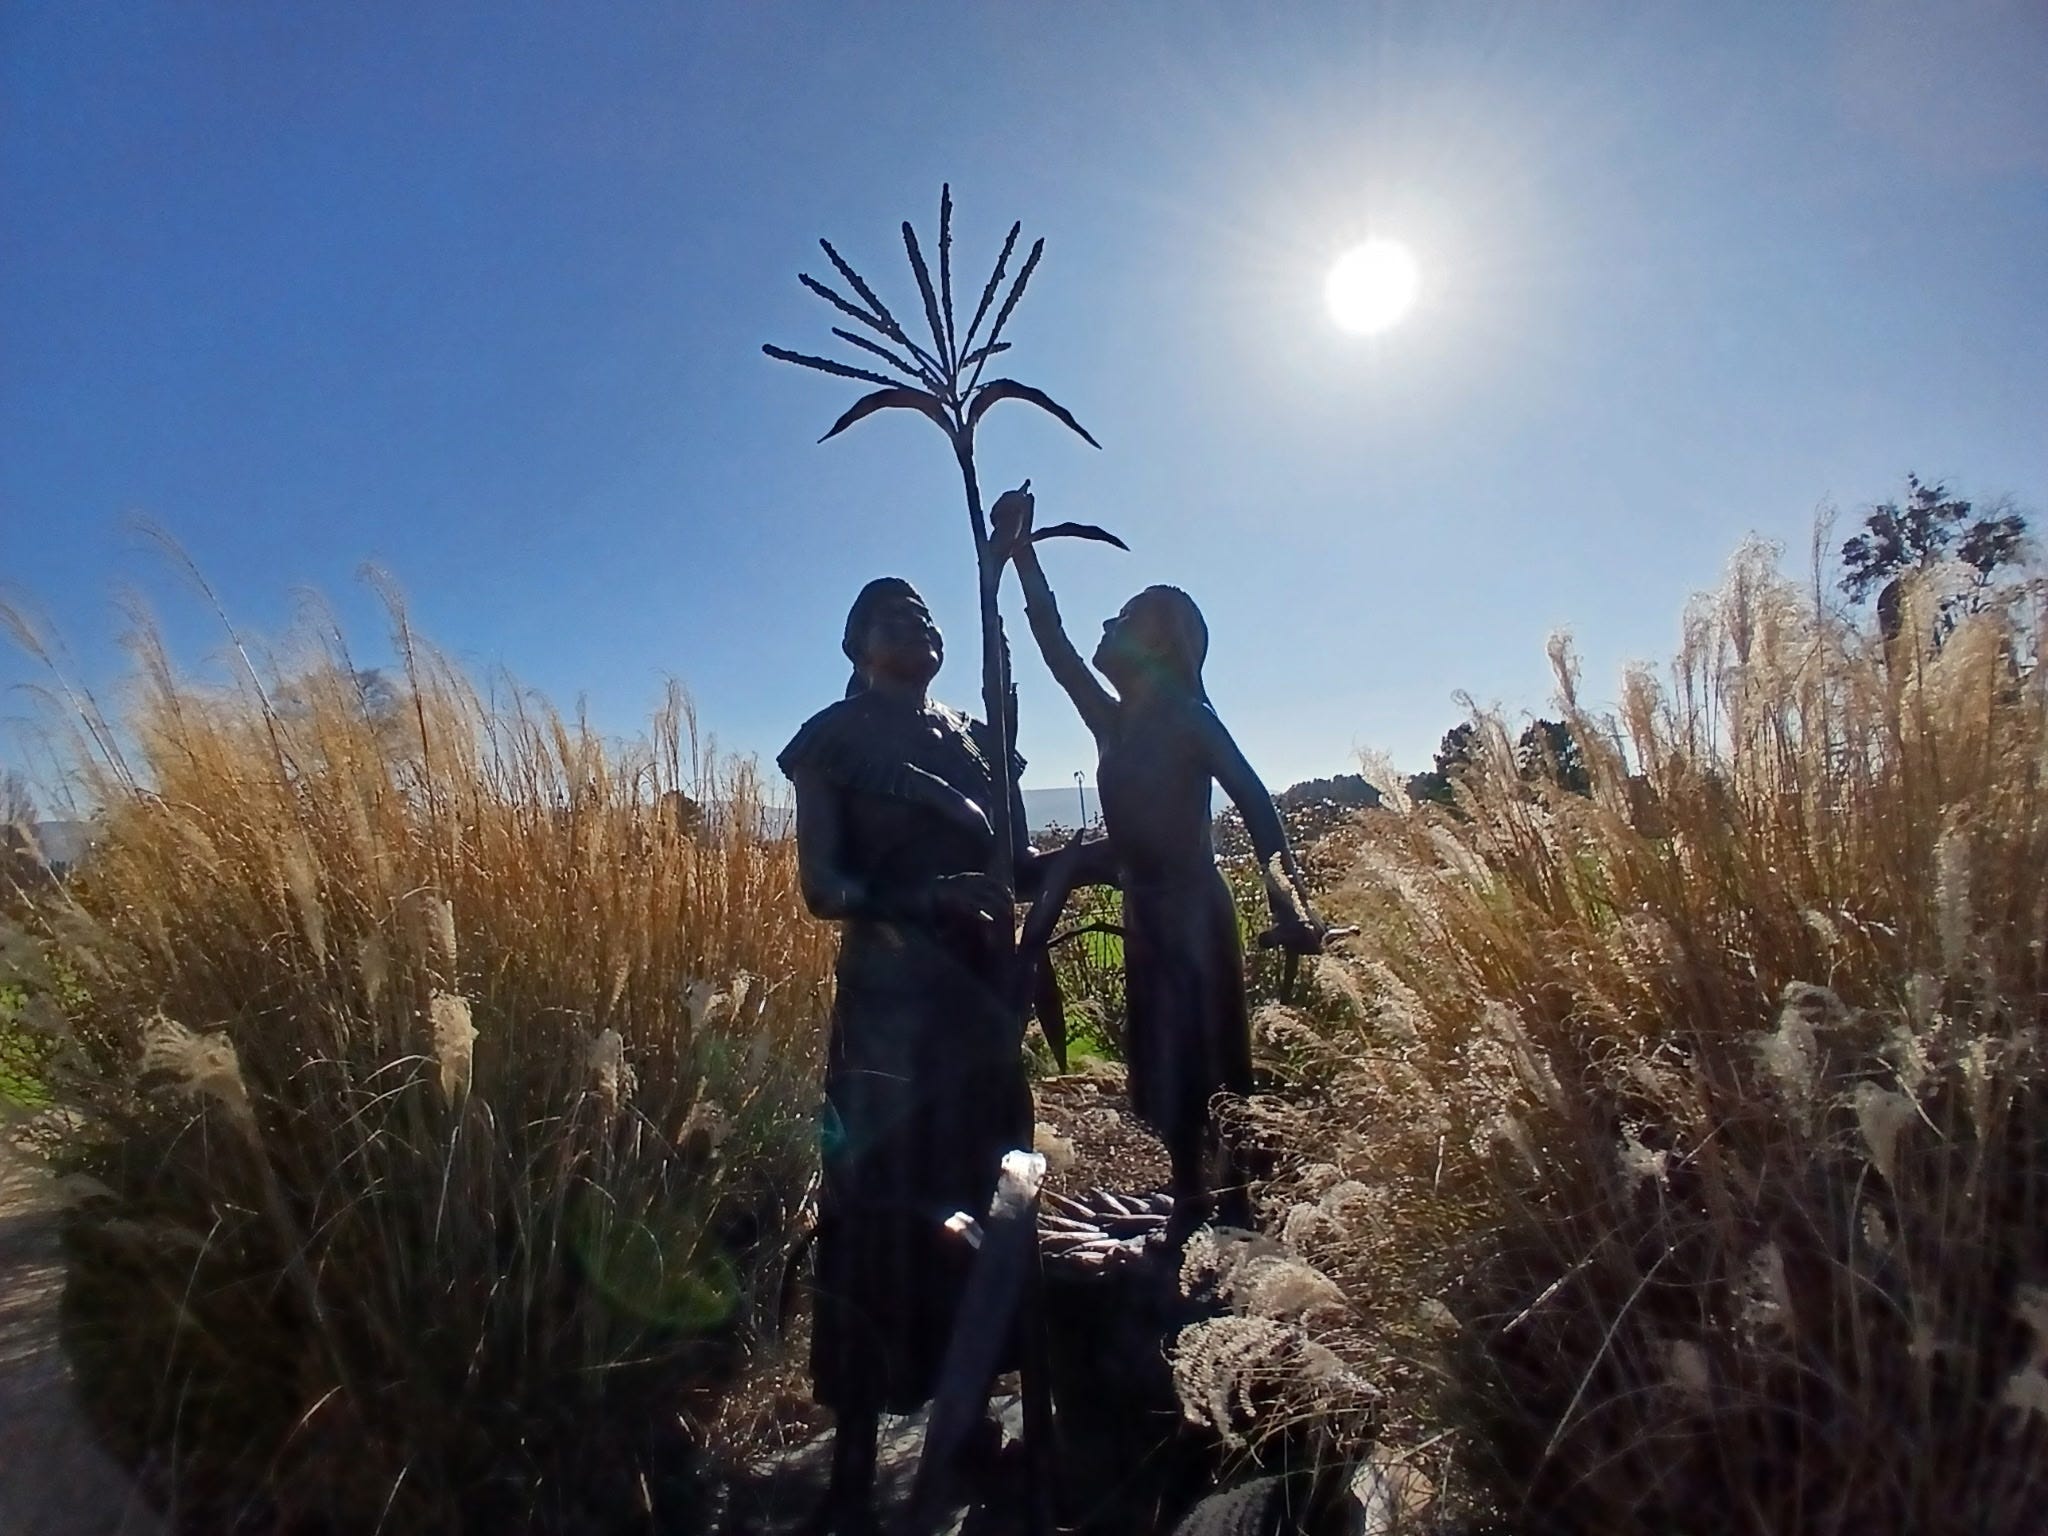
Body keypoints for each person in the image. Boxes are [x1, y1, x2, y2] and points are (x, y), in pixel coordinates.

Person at [995, 487, 1326, 1230]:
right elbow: (1055, 647)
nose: (1107, 625)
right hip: (1144, 915)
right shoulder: (1113, 723)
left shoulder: (1188, 719)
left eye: (1125, 618)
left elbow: (1256, 804)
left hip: (1192, 917)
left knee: (1209, 1066)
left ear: (1164, 645)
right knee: (1167, 1071)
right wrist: (1021, 557)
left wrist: (1289, 899)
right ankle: (1186, 1205)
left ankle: (1233, 1213)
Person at [778, 577, 1035, 1533]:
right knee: (876, 1213)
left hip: (977, 1008)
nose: (916, 627)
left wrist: (1113, 860)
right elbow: (823, 886)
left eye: (926, 616)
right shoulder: (831, 741)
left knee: (984, 1192)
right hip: (889, 1015)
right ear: (855, 644)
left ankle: (969, 1418)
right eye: (893, 616)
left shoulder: (973, 739)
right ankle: (853, 1460)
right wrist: (928, 900)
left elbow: (1011, 865)